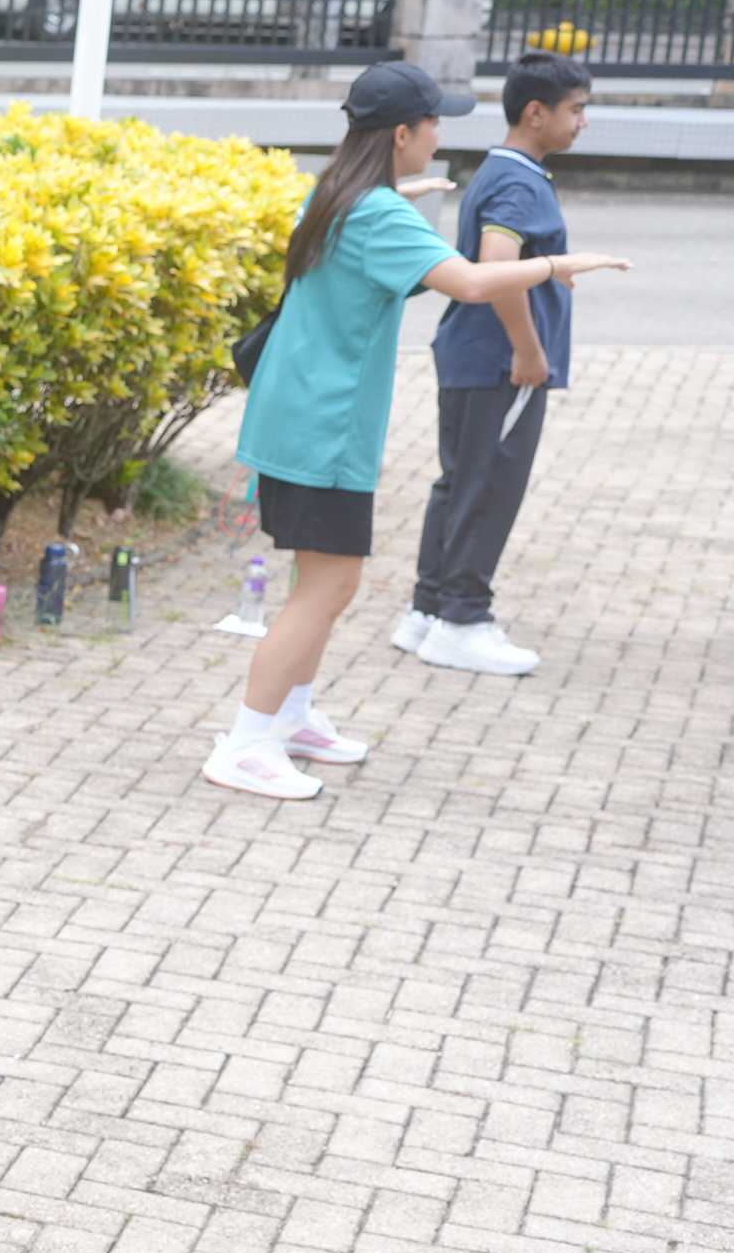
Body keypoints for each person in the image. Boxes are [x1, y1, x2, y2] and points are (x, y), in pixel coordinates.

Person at [210, 60, 629, 800]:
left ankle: (294, 717)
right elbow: (470, 281)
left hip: (300, 414)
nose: (440, 133)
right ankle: (245, 743)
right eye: (434, 122)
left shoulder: (337, 194)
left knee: (321, 582)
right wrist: (559, 264)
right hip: (323, 427)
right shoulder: (376, 214)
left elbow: (374, 225)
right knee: (327, 586)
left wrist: (406, 193)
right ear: (401, 134)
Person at [396, 48, 598, 678]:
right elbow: (495, 264)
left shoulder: (501, 170)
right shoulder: (517, 181)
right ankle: (462, 620)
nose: (584, 121)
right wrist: (528, 349)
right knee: (488, 486)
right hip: (499, 363)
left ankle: (428, 611)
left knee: (459, 483)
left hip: (473, 355)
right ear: (536, 113)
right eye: (576, 109)